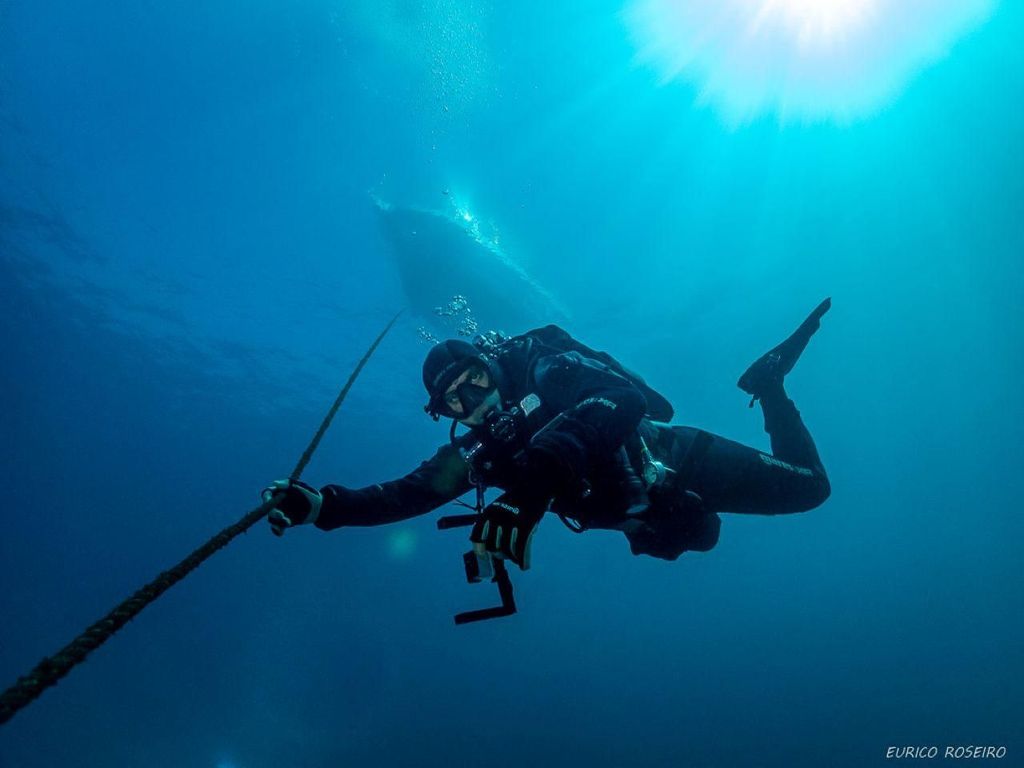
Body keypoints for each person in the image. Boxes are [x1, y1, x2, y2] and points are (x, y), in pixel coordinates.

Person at [263, 299, 832, 568]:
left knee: (811, 490)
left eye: (477, 379)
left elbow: (624, 399)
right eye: (457, 399)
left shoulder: (544, 370)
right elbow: (410, 493)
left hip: (686, 460)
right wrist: (324, 506)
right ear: (448, 413)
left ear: (493, 366)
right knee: (702, 535)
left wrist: (531, 490)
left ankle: (769, 384)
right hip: (660, 512)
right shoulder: (478, 451)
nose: (476, 399)